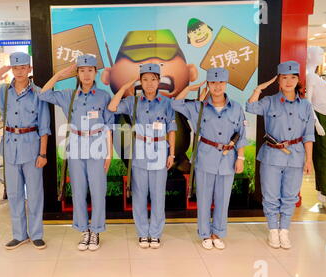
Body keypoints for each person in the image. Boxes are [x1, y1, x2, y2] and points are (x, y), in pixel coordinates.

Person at [0, 52, 51, 250]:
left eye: (23, 67)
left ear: (29, 69)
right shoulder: (2, 91)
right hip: (10, 147)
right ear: (11, 69)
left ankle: (36, 234)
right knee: (14, 193)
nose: (19, 71)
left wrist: (43, 154)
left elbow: (44, 126)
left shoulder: (38, 93)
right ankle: (19, 234)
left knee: (34, 193)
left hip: (32, 146)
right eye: (15, 68)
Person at [40, 55, 113, 251]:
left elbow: (108, 126)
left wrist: (109, 153)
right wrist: (59, 75)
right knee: (79, 190)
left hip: (98, 144)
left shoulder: (104, 96)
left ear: (95, 72)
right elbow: (43, 94)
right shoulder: (68, 95)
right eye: (82, 70)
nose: (86, 74)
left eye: (90, 70)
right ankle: (84, 230)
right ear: (77, 73)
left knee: (98, 190)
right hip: (76, 144)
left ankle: (96, 230)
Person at [172, 68, 247, 250]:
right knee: (204, 198)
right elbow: (176, 104)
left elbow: (241, 134)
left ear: (226, 84)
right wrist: (191, 88)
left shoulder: (236, 107)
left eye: (221, 82)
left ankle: (218, 232)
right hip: (205, 157)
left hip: (228, 158)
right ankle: (205, 233)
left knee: (223, 198)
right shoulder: (198, 107)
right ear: (208, 85)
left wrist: (241, 158)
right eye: (213, 83)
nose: (217, 86)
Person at [246, 60, 315, 249]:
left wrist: (309, 159)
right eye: (284, 78)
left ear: (298, 80)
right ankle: (272, 231)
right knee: (270, 196)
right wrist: (259, 89)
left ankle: (284, 230)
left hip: (296, 155)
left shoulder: (306, 106)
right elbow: (250, 107)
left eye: (293, 77)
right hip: (271, 156)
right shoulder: (269, 102)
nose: (289, 81)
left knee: (290, 196)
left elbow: (309, 134)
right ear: (279, 80)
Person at [108, 63, 176, 249]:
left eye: (153, 79)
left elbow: (172, 129)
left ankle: (155, 234)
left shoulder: (166, 102)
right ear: (140, 81)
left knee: (157, 196)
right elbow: (113, 107)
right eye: (145, 79)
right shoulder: (133, 102)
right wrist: (124, 88)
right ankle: (142, 233)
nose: (149, 84)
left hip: (160, 150)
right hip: (139, 151)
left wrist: (172, 153)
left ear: (158, 81)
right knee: (139, 195)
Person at [306, 46, 326, 215]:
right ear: (310, 55)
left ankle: (321, 193)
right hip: (320, 118)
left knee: (323, 156)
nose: (321, 56)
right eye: (319, 53)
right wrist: (316, 123)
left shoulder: (314, 75)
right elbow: (307, 102)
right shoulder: (310, 76)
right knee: (324, 158)